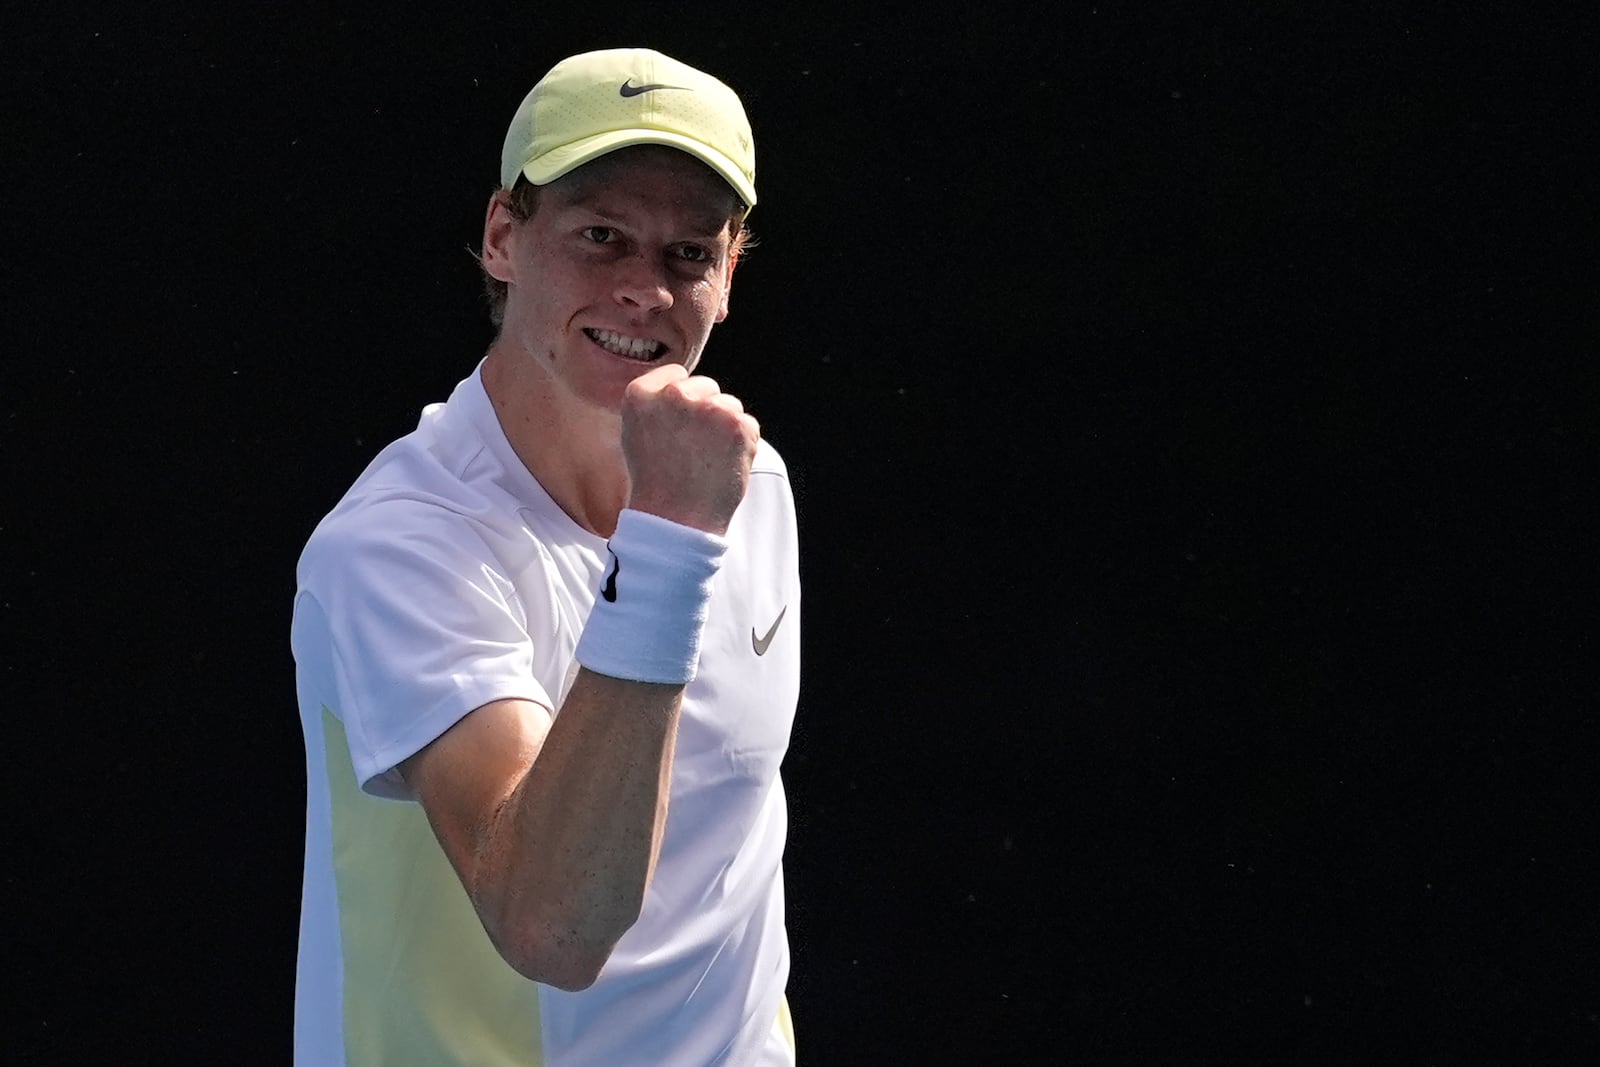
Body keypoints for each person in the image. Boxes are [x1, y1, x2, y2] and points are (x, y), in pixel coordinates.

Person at [289, 47, 800, 1066]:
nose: (643, 289)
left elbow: (724, 876)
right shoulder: (397, 543)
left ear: (730, 275)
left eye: (688, 253)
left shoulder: (749, 482)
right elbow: (555, 928)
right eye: (600, 235)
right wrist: (666, 546)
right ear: (501, 238)